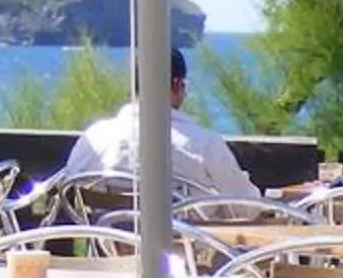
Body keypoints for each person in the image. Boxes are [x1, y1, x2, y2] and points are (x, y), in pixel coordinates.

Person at [54, 49, 258, 203]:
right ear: (178, 85)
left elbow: (71, 188)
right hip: (185, 257)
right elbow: (247, 205)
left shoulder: (95, 138)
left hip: (108, 254)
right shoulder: (203, 144)